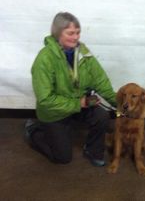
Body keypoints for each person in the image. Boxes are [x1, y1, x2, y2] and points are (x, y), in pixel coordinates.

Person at [25, 12, 117, 166]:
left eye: (78, 32)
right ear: (58, 33)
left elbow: (100, 81)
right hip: (55, 111)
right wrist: (78, 103)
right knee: (62, 158)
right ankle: (33, 132)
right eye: (71, 33)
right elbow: (45, 99)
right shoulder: (44, 59)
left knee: (102, 116)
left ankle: (92, 150)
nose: (76, 37)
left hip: (78, 103)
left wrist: (120, 104)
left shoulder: (83, 53)